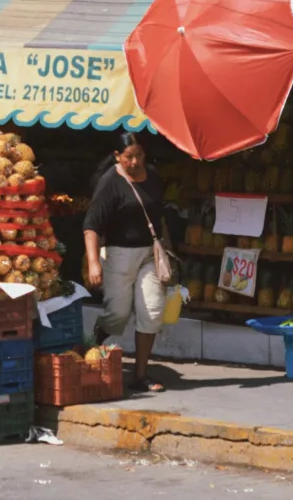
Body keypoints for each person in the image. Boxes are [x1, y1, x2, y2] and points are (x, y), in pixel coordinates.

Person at [84, 131, 173, 393]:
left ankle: (140, 374)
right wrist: (93, 262)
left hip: (150, 254)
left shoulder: (154, 176)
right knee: (117, 315)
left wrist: (167, 248)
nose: (135, 162)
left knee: (152, 312)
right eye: (128, 157)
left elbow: (160, 215)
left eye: (139, 156)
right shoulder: (110, 182)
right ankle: (93, 340)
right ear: (117, 156)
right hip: (120, 254)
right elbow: (91, 225)